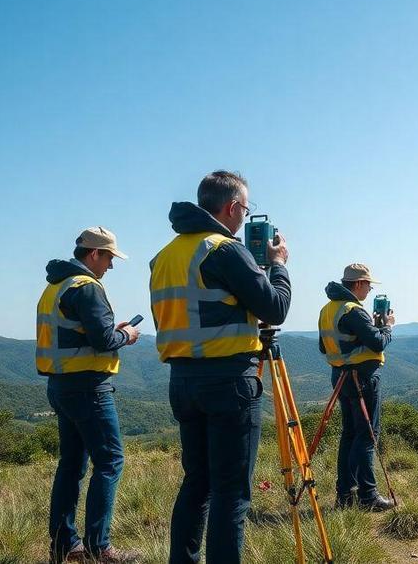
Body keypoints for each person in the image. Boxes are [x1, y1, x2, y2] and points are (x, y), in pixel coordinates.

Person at [150, 170, 290, 564]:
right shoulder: (224, 250)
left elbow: (200, 311)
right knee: (231, 493)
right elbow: (275, 307)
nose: (245, 217)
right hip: (228, 381)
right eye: (245, 208)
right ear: (231, 207)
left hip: (183, 380)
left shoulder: (164, 256)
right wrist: (278, 265)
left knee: (197, 483)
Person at [37, 227, 141, 564]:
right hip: (88, 388)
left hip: (60, 385)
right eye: (109, 257)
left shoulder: (55, 287)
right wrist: (125, 334)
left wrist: (113, 331)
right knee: (110, 461)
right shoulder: (88, 288)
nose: (111, 265)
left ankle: (64, 544)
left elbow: (84, 333)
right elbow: (102, 341)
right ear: (94, 254)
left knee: (71, 465)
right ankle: (100, 548)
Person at [318, 263, 396, 511]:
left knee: (350, 434)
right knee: (367, 436)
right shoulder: (353, 310)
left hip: (340, 376)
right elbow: (377, 343)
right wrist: (387, 326)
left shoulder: (328, 309)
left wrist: (367, 329)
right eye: (369, 285)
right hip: (362, 378)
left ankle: (345, 496)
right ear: (359, 284)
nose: (370, 289)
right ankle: (368, 497)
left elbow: (324, 347)